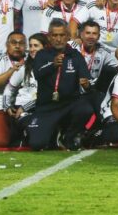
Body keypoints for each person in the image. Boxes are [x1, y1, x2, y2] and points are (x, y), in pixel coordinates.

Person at [28, 20, 93, 151]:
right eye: (55, 35)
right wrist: (52, 65)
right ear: (49, 37)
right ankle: (53, 133)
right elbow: (37, 74)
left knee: (86, 108)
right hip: (47, 107)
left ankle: (68, 136)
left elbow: (86, 79)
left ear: (68, 36)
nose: (58, 39)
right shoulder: (41, 54)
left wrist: (86, 84)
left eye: (62, 35)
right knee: (37, 144)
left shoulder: (76, 55)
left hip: (69, 105)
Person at [0, 32, 27, 147]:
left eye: (21, 43)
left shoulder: (31, 60)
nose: (17, 46)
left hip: (24, 105)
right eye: (14, 43)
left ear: (26, 46)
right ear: (7, 45)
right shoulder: (0, 60)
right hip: (0, 105)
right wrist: (12, 70)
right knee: (0, 142)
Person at [4, 33, 47, 147]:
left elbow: (46, 96)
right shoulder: (24, 68)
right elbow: (9, 88)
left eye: (36, 46)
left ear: (45, 47)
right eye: (31, 46)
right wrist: (7, 106)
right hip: (21, 111)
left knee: (38, 141)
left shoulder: (51, 68)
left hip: (40, 109)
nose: (32, 49)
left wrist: (25, 107)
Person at [69, 21, 114, 112]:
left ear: (98, 36)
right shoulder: (70, 47)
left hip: (91, 90)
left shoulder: (103, 51)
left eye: (94, 33)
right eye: (88, 33)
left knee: (104, 109)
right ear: (81, 35)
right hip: (71, 92)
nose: (91, 37)